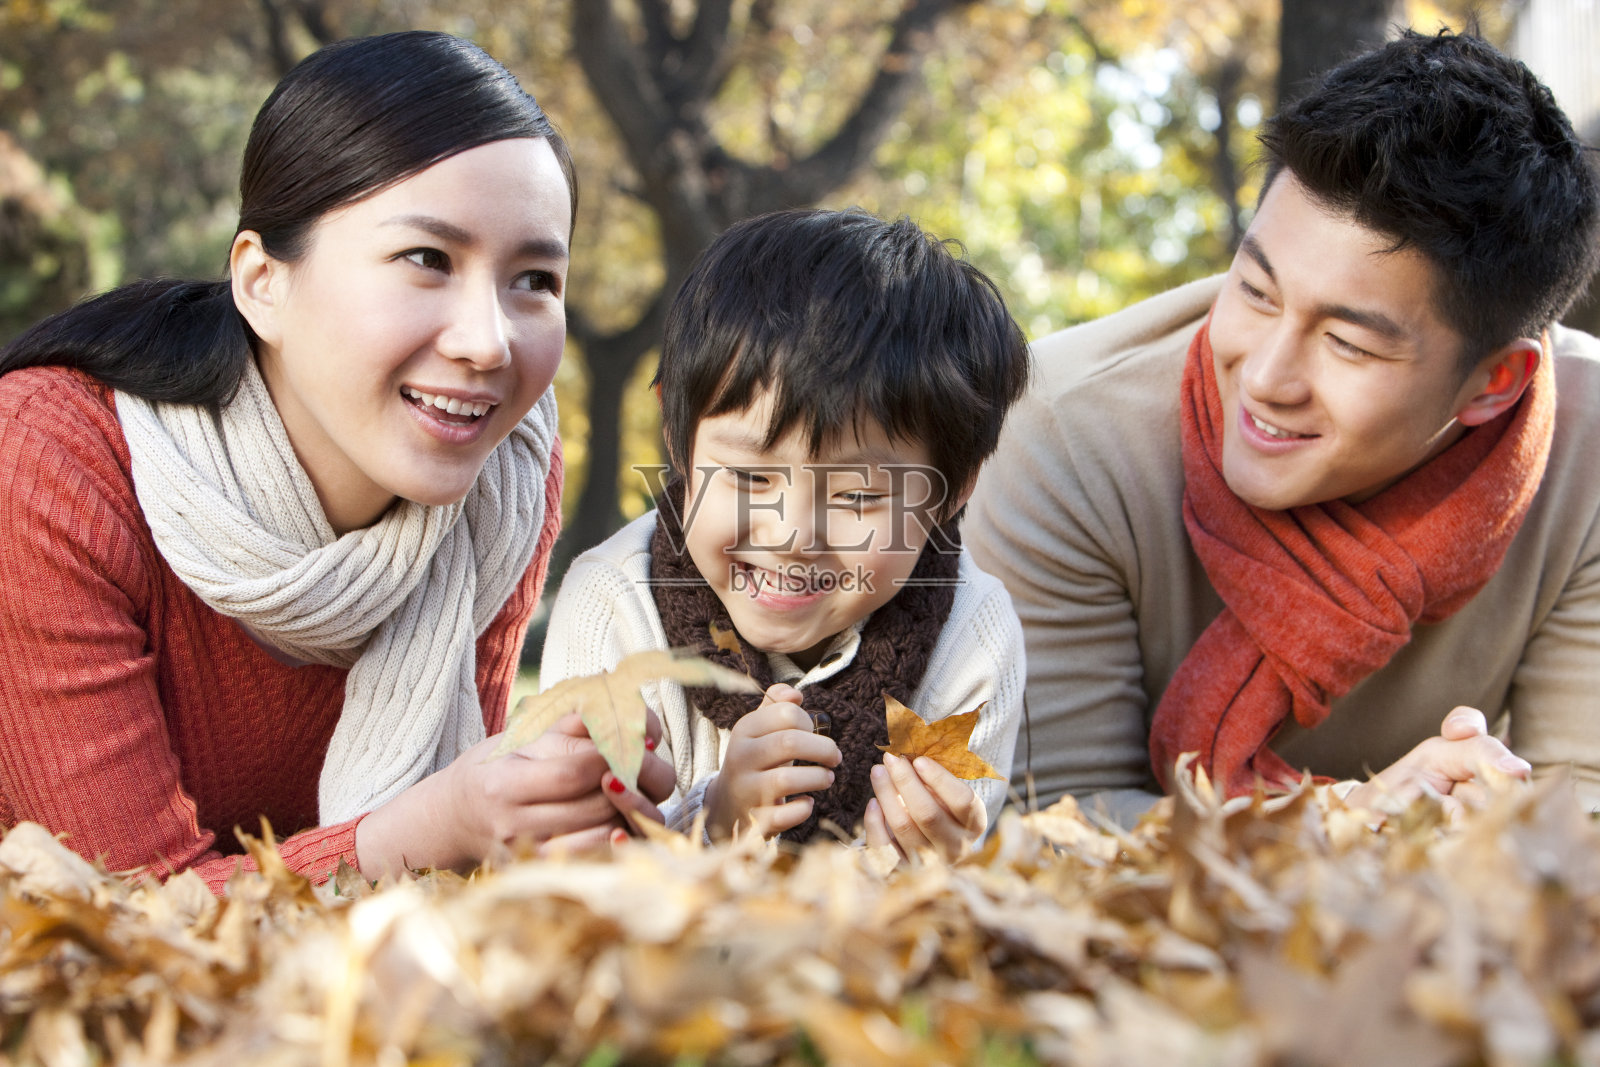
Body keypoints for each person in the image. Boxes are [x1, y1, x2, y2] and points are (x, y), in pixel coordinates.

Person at [0, 31, 674, 893]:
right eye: (427, 259)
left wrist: (564, 806)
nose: (487, 342)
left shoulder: (506, 472)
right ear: (261, 283)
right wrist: (435, 827)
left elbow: (462, 845)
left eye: (535, 278)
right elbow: (118, 905)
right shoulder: (55, 462)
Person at [964, 29, 1600, 826]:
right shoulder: (1064, 429)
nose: (1263, 377)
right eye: (1256, 291)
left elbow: (1578, 818)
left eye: (1348, 342)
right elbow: (1051, 814)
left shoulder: (1588, 451)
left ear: (1493, 383)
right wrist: (1340, 830)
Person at [541, 208, 1030, 861]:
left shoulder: (972, 636)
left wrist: (917, 864)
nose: (795, 533)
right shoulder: (613, 605)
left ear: (955, 488)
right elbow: (569, 878)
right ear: (679, 446)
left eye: (858, 494)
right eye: (748, 475)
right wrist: (715, 822)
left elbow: (935, 893)